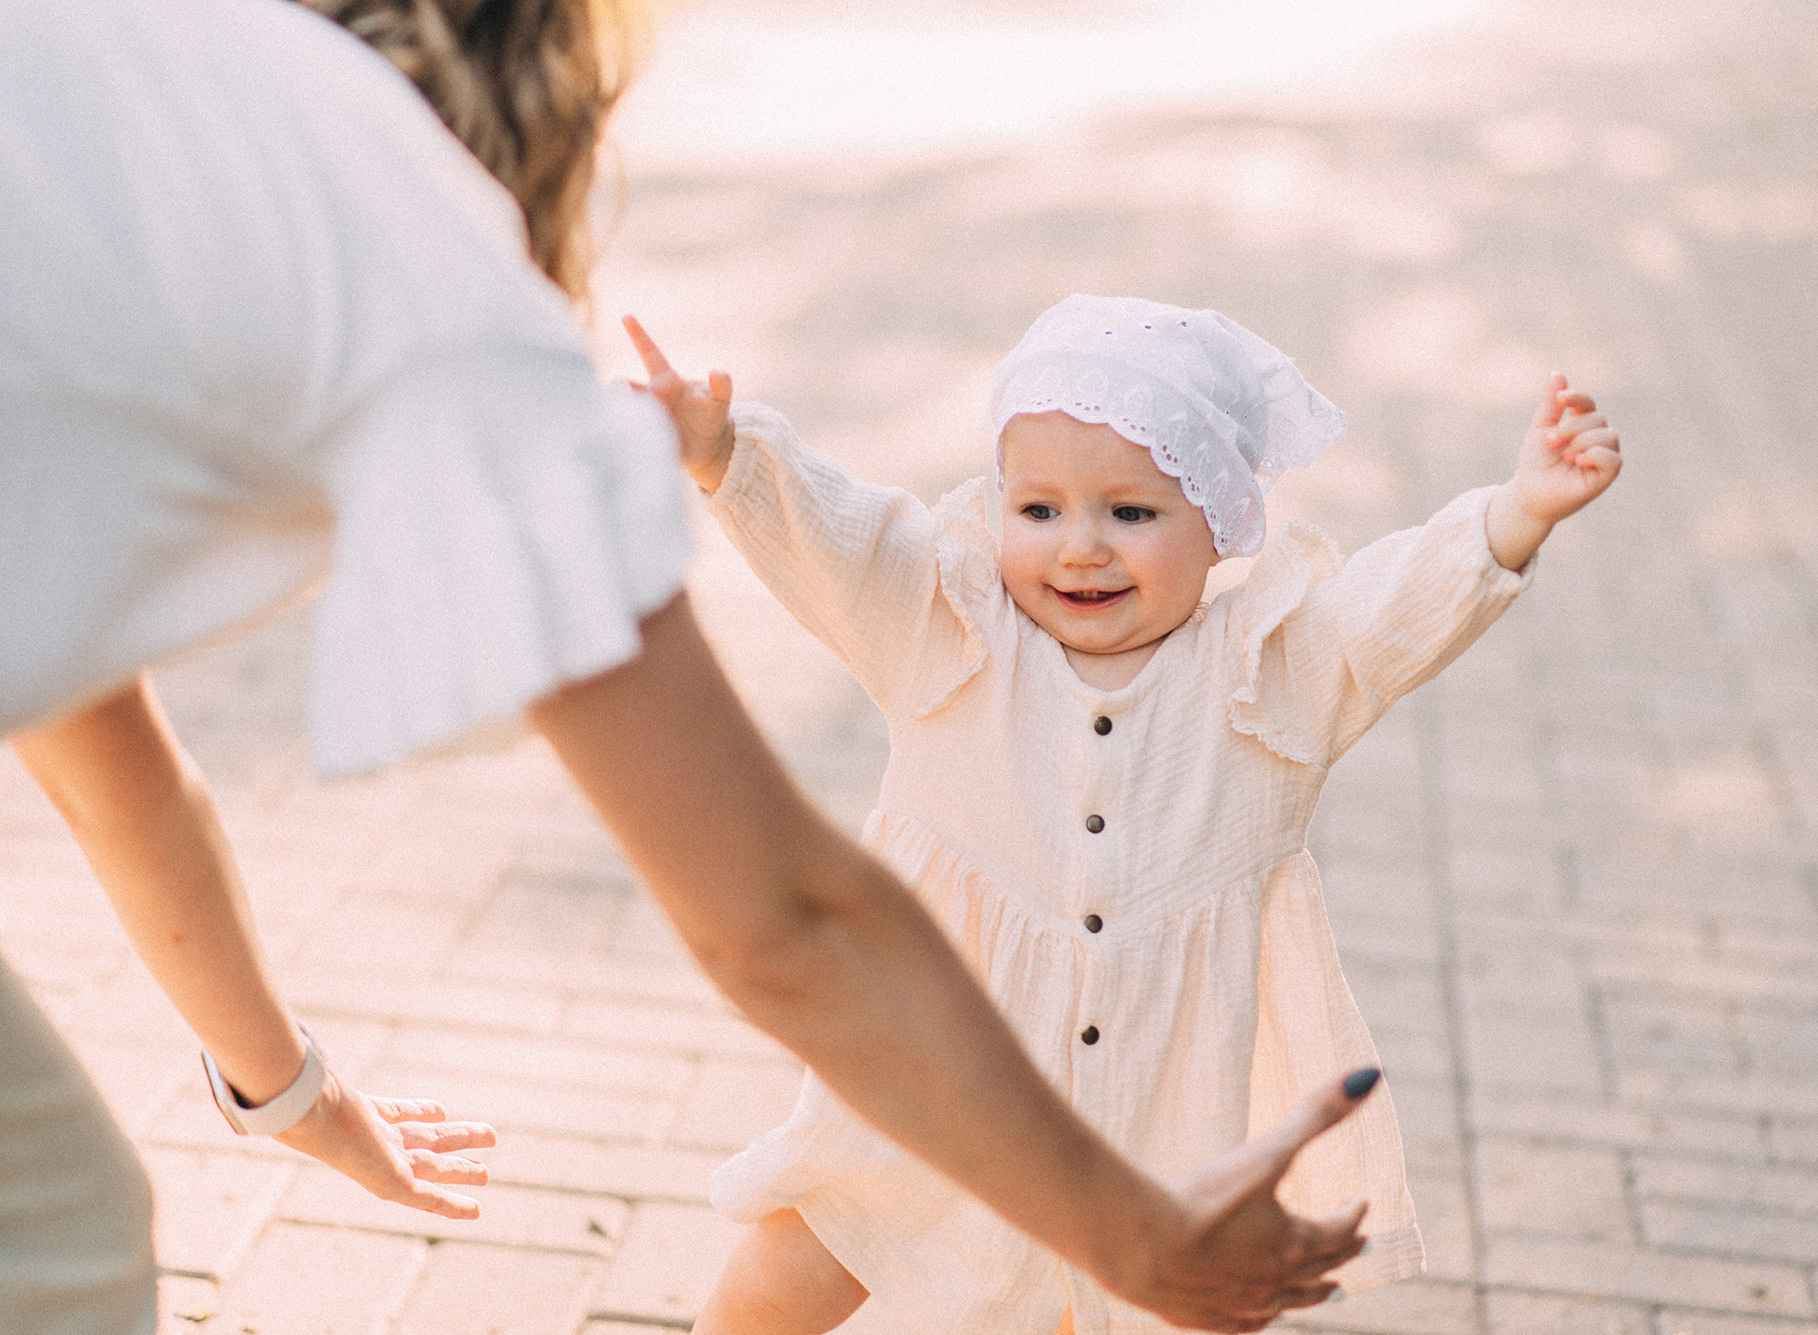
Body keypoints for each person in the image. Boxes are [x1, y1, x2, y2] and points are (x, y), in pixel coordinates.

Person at [0, 3, 1381, 1332]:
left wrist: (287, 1090)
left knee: (63, 1221)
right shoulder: (429, 266)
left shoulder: (141, 73)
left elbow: (98, 737)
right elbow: (780, 914)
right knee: (59, 1243)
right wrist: (1130, 1229)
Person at [624, 292, 1624, 1334]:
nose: (1079, 549)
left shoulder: (1269, 672)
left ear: (1220, 525)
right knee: (814, 1242)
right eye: (1038, 509)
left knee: (1110, 1307)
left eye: (1131, 513)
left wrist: (1517, 510)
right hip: (941, 1065)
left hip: (1156, 1101)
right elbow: (843, 541)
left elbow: (1391, 606)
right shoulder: (948, 630)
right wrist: (724, 454)